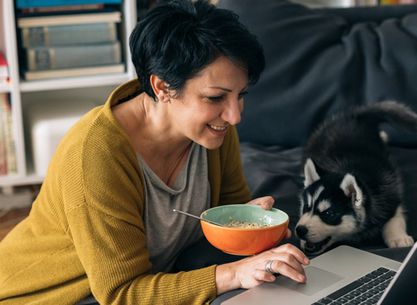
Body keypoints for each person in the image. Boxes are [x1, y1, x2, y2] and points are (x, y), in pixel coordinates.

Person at [0, 1, 309, 304]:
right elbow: (121, 293)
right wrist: (234, 274)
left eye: (240, 95)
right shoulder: (95, 154)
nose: (235, 115)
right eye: (215, 97)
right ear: (162, 87)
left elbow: (227, 212)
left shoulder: (213, 131)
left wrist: (252, 227)